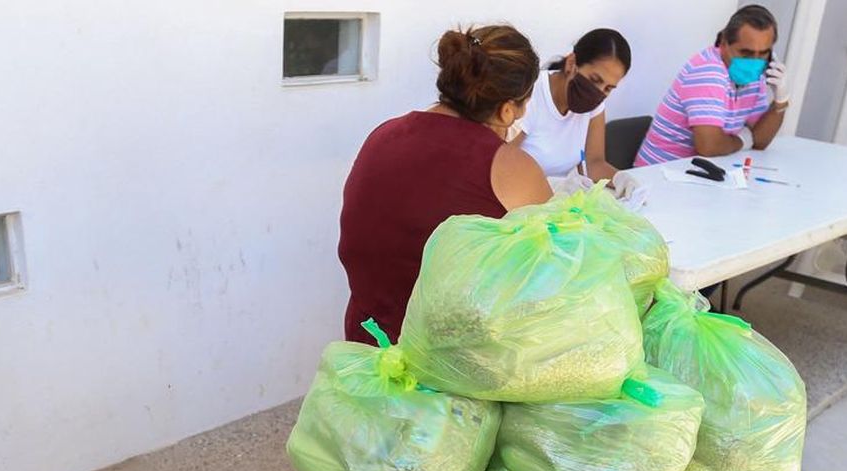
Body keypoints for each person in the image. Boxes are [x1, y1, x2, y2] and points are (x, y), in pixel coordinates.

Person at [338, 25, 551, 343]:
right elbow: (559, 274)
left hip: (366, 347)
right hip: (448, 363)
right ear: (508, 110)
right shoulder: (510, 167)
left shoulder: (383, 135)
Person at [635, 4, 791, 166]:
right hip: (660, 173)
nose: (754, 62)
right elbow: (709, 147)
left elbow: (759, 141)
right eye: (746, 53)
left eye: (763, 53)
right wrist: (743, 140)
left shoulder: (755, 75)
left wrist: (780, 102)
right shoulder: (707, 71)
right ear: (723, 43)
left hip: (702, 171)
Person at [517, 28, 640, 201]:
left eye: (608, 88)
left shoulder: (595, 105)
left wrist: (621, 178)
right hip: (521, 201)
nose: (598, 92)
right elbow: (499, 165)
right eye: (594, 79)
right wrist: (551, 185)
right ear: (571, 63)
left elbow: (594, 163)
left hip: (561, 206)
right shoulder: (529, 94)